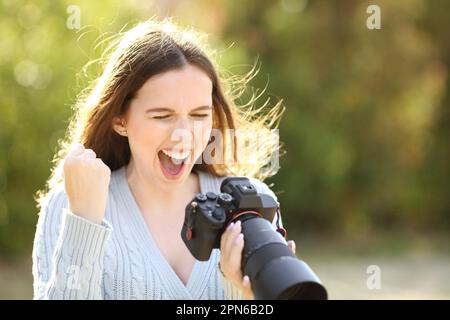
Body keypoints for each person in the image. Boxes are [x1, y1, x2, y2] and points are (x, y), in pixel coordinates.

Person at [32, 18, 295, 300]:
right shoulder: (69, 205)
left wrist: (243, 294)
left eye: (199, 115)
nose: (184, 135)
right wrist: (84, 222)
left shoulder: (252, 206)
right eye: (162, 116)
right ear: (120, 119)